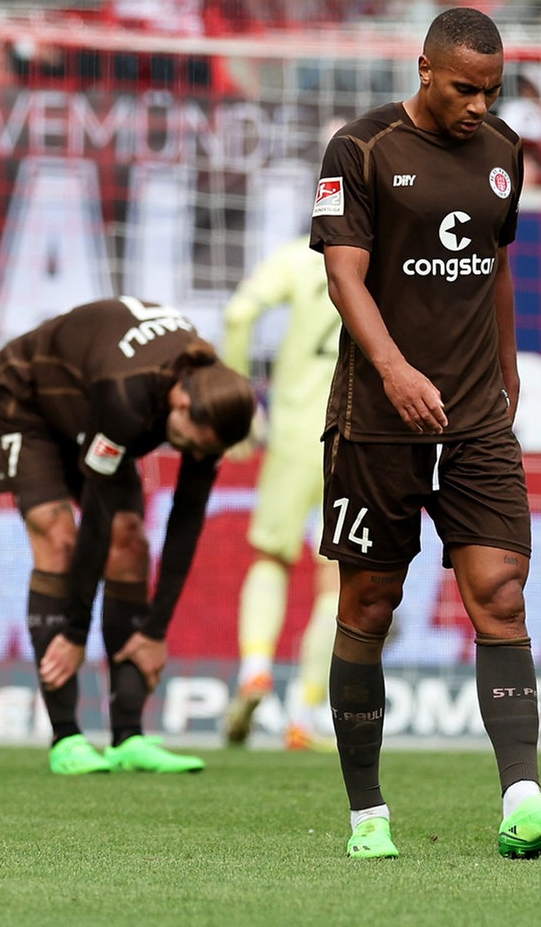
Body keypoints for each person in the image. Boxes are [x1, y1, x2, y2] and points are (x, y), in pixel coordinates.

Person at [309, 6, 541, 860]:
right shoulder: (360, 150)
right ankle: (367, 814)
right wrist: (396, 369)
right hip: (378, 422)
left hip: (473, 419)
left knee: (502, 594)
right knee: (370, 602)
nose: (479, 105)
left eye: (493, 90)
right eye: (466, 88)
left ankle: (524, 800)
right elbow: (342, 274)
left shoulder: (506, 152)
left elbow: (495, 260)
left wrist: (509, 365)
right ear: (425, 69)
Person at [0, 297, 255, 775]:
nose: (191, 451)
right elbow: (97, 515)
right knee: (58, 536)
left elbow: (187, 519)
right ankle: (66, 738)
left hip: (86, 410)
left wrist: (155, 631)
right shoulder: (127, 396)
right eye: (191, 440)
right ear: (182, 401)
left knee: (130, 542)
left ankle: (128, 737)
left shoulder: (212, 408)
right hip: (28, 400)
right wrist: (73, 630)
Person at [219, 239, 343, 752]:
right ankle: (304, 712)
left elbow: (238, 313)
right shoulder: (387, 257)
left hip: (294, 432)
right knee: (339, 574)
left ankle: (254, 670)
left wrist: (239, 401)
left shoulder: (298, 257)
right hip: (355, 437)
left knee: (271, 557)